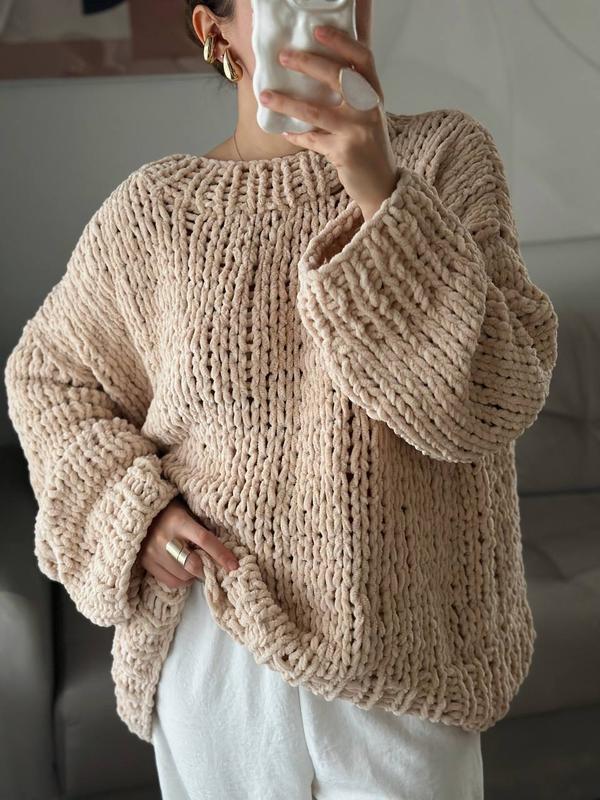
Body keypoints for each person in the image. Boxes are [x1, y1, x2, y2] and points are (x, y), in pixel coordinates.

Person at [3, 1, 559, 798]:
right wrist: (134, 512)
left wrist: (380, 195)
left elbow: (490, 401)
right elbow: (50, 378)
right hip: (216, 655)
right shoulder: (155, 215)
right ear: (217, 29)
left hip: (408, 659)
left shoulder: (444, 160)